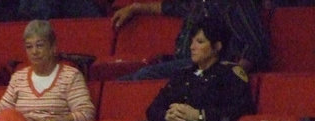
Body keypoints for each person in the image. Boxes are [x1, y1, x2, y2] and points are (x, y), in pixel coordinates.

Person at [111, 17, 253, 121]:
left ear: (217, 46)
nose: (192, 47)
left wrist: (199, 114)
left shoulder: (229, 73)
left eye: (200, 42)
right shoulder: (182, 74)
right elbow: (152, 109)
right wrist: (167, 115)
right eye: (192, 41)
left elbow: (240, 109)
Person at [0, 20, 95, 121]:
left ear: (53, 47)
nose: (34, 52)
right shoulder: (18, 77)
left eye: (39, 45)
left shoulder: (70, 76)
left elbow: (86, 114)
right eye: (29, 47)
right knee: (6, 116)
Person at [112, 0, 269, 79]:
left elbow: (255, 44)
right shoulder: (198, 2)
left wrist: (231, 77)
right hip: (186, 64)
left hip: (210, 67)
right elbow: (170, 7)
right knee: (121, 82)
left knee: (144, 75)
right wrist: (136, 7)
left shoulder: (234, 3)